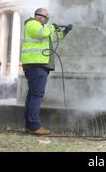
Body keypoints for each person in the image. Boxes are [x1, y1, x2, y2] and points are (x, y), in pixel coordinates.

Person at [21, 7, 72, 135]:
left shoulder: (41, 27)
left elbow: (51, 39)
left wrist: (64, 33)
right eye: (46, 16)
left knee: (32, 95)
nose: (47, 18)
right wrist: (52, 27)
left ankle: (29, 125)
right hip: (35, 64)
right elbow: (43, 33)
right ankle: (34, 126)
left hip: (38, 65)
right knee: (37, 95)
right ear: (39, 16)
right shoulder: (32, 24)